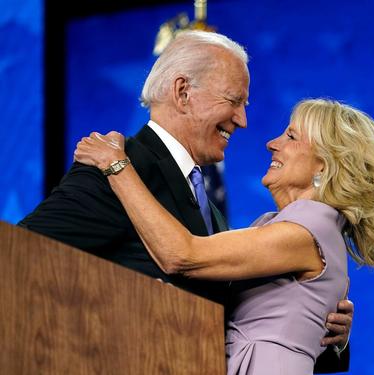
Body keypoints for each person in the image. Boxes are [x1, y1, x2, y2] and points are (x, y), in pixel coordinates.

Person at [18, 31, 352, 372]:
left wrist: (321, 323)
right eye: (234, 100)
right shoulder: (119, 169)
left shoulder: (212, 213)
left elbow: (240, 328)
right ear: (183, 93)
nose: (243, 120)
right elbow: (22, 257)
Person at [73, 98, 374, 375]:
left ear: (323, 166)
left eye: (292, 136)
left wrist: (116, 165)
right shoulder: (284, 225)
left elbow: (182, 255)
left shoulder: (311, 226)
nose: (272, 142)